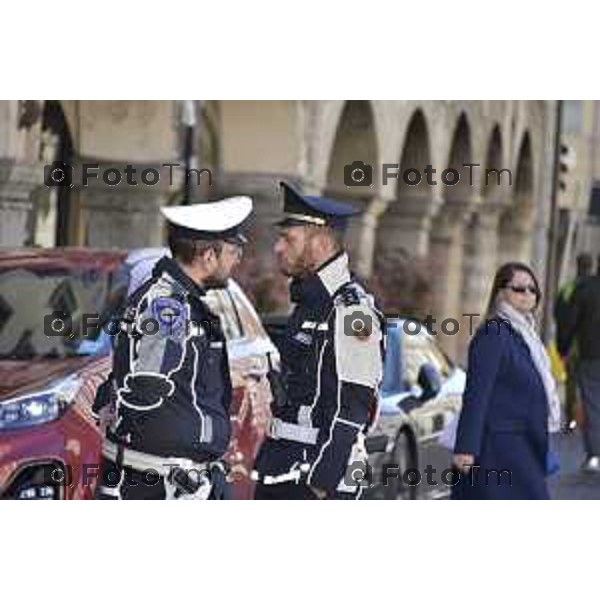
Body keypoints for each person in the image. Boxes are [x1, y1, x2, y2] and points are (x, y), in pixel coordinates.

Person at [93, 196, 253, 499]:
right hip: (159, 482)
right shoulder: (167, 304)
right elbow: (146, 385)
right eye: (234, 250)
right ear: (208, 256)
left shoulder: (179, 300)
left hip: (176, 477)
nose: (238, 259)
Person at [252, 182, 385, 500]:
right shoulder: (311, 301)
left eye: (288, 238)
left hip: (320, 477)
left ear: (321, 241)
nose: (278, 248)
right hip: (284, 464)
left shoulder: (353, 311)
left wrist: (323, 480)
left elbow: (353, 405)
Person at [452, 262, 561, 500]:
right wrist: (466, 448)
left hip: (524, 443)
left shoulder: (525, 335)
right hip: (498, 448)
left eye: (533, 289)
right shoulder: (494, 333)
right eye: (519, 289)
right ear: (501, 292)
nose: (528, 294)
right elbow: (476, 394)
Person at [557, 253, 600, 473]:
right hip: (588, 354)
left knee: (592, 403)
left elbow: (567, 319)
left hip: (590, 354)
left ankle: (595, 455)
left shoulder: (582, 288)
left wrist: (562, 348)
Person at [554, 253, 593, 432]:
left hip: (573, 346)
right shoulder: (594, 287)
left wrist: (562, 345)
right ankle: (589, 422)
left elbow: (559, 315)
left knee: (571, 384)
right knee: (590, 385)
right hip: (591, 348)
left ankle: (570, 421)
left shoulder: (568, 288)